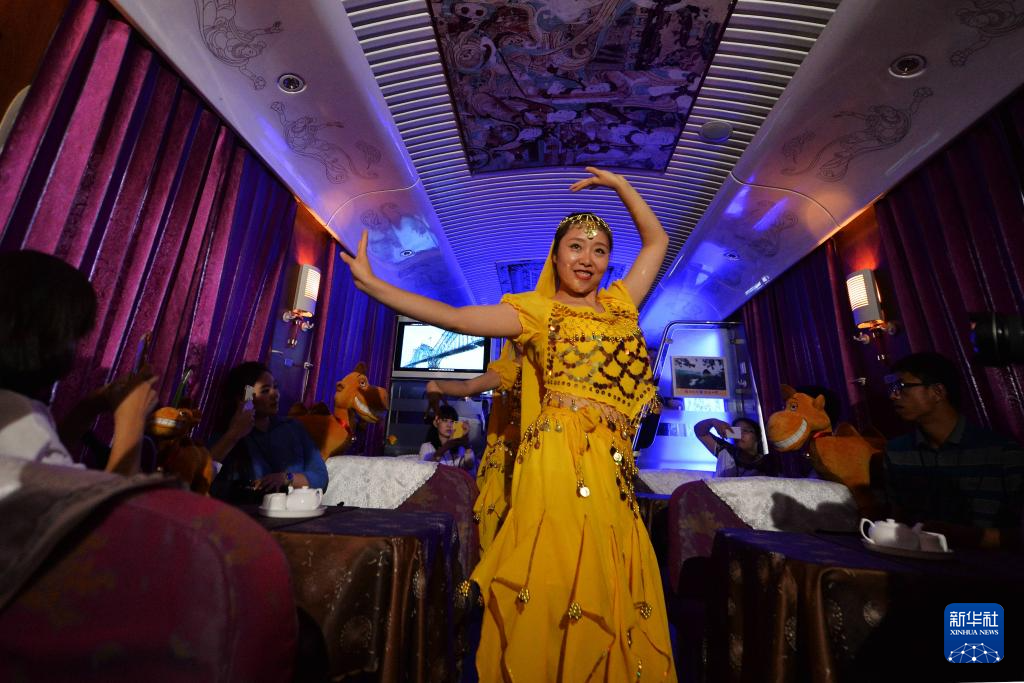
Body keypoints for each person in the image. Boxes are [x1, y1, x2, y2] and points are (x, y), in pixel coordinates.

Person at [342, 167, 675, 680]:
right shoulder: (536, 312)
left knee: (608, 566)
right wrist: (376, 287)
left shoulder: (620, 306)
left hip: (611, 465)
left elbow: (658, 241)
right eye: (575, 247)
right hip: (556, 459)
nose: (586, 259)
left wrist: (621, 187)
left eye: (598, 250)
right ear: (555, 255)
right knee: (558, 569)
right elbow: (456, 318)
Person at [0, 250, 157, 473]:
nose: (75, 348)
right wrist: (132, 418)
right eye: (73, 334)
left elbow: (46, 471)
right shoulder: (13, 415)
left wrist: (89, 407)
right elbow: (107, 495)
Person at [884, 351, 1024, 549]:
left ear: (938, 391)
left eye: (901, 386)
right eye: (891, 388)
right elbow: (896, 518)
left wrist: (972, 536)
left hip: (988, 562)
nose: (893, 395)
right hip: (915, 559)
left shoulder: (1001, 452)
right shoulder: (897, 452)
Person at [426, 342, 522, 554]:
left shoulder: (546, 367)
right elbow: (467, 387)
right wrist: (437, 385)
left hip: (538, 451)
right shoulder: (512, 369)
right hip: (516, 454)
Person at [209, 362, 328, 502]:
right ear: (245, 397)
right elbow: (203, 478)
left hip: (296, 508)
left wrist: (287, 478)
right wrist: (234, 434)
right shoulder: (228, 436)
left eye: (275, 387)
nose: (275, 394)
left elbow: (321, 477)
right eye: (265, 390)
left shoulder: (293, 428)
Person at [694, 416, 774, 477]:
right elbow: (700, 432)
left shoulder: (767, 462)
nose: (740, 435)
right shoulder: (726, 451)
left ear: (757, 436)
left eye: (745, 430)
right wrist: (713, 422)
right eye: (737, 431)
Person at [419, 403, 476, 470]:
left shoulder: (459, 448)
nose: (449, 425)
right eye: (445, 420)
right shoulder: (427, 447)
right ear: (435, 423)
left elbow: (469, 467)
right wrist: (447, 445)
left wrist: (467, 446)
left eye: (452, 421)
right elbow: (425, 468)